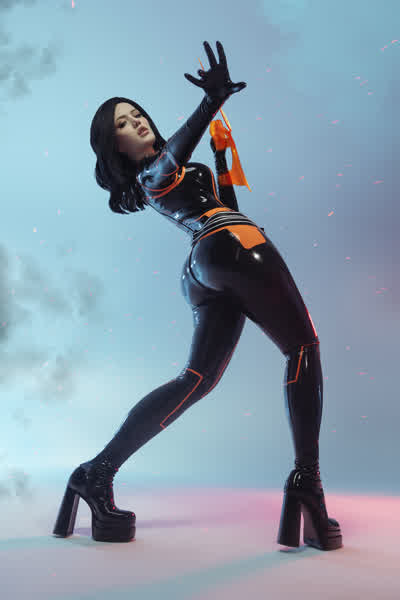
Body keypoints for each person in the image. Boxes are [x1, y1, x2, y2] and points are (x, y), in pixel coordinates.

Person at [53, 41, 342, 550]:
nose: (137, 122)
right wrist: (211, 102)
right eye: (124, 123)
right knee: (303, 348)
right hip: (230, 245)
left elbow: (226, 201)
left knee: (196, 380)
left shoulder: (168, 170)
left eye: (138, 114)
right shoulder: (152, 174)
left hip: (206, 263)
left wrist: (222, 156)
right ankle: (307, 483)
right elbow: (174, 165)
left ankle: (96, 472)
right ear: (115, 146)